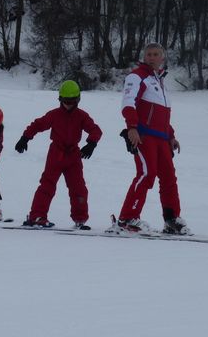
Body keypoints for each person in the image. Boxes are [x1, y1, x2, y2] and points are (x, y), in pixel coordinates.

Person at [114, 42, 189, 234]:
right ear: (144, 56)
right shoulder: (137, 76)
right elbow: (128, 103)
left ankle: (171, 219)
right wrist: (131, 128)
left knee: (169, 178)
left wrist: (170, 136)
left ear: (162, 57)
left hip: (161, 139)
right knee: (147, 174)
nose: (152, 57)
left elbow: (162, 115)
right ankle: (127, 218)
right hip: (144, 135)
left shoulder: (160, 82)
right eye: (149, 54)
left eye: (156, 54)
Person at [15, 80, 102, 229]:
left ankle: (80, 219)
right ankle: (37, 216)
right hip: (56, 154)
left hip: (74, 156)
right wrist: (25, 137)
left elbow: (95, 130)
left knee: (78, 187)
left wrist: (91, 144)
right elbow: (38, 124)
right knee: (47, 185)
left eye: (71, 102)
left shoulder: (82, 116)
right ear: (60, 100)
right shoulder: (54, 115)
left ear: (78, 100)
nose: (68, 105)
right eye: (65, 101)